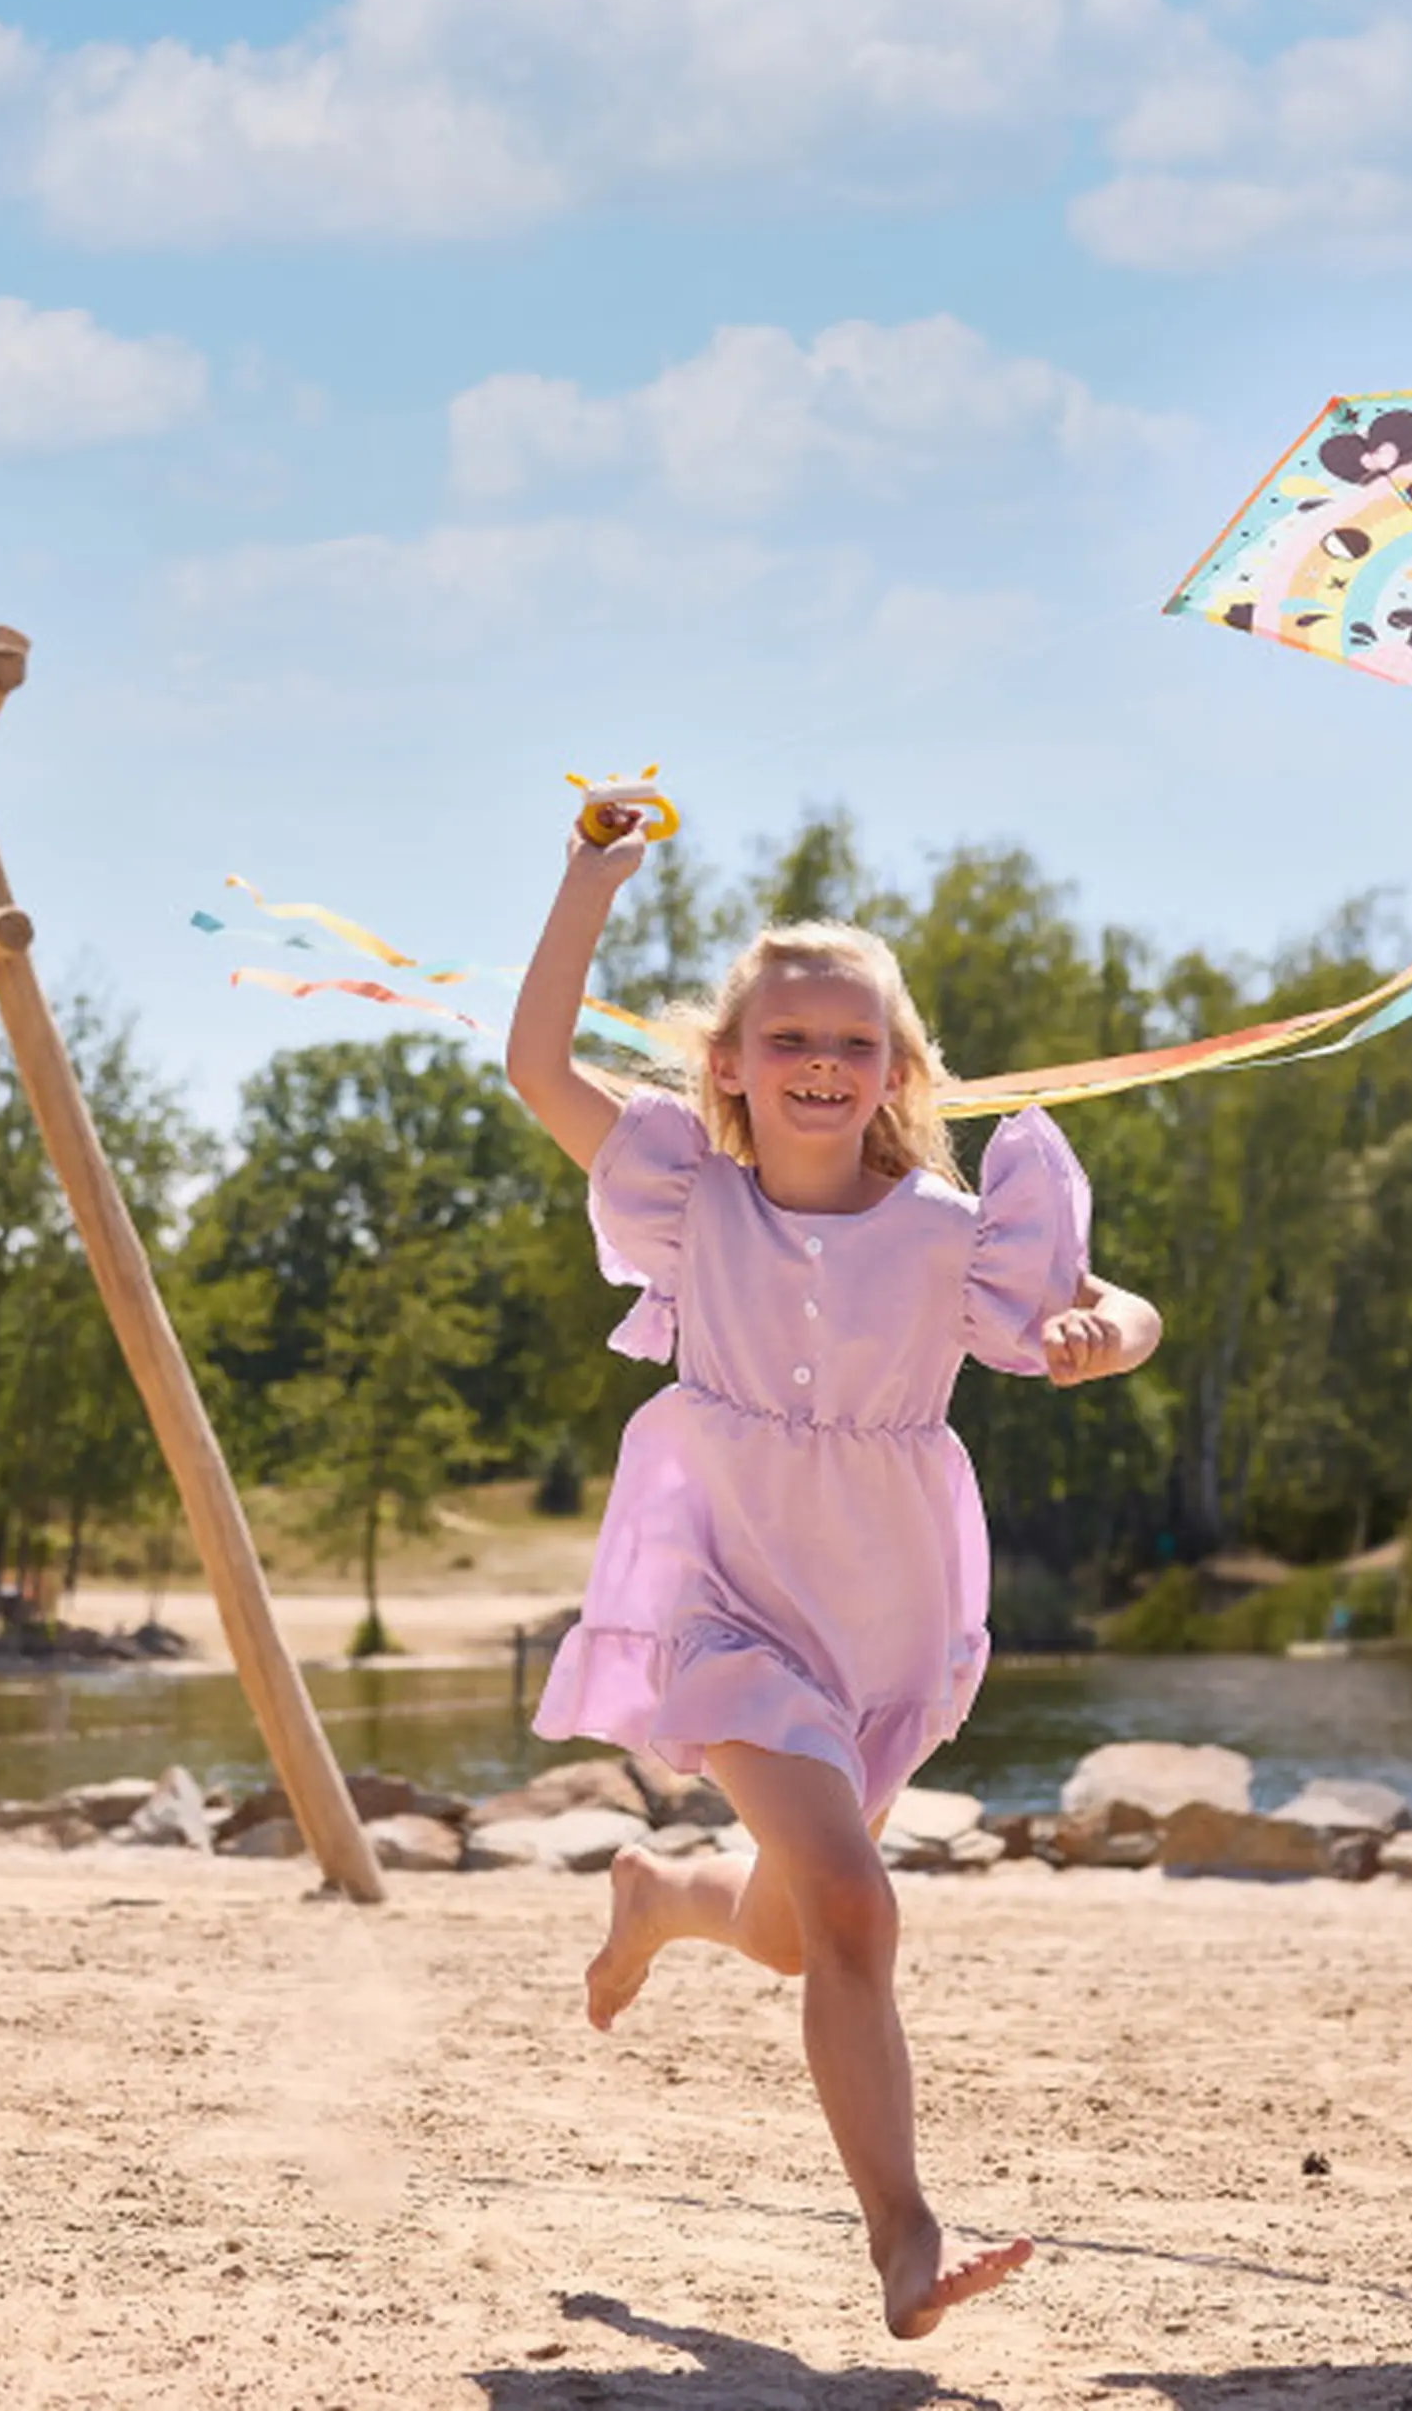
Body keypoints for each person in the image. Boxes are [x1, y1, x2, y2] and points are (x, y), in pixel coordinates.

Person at [501, 799, 1163, 2341]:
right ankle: (906, 2237)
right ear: (727, 1061)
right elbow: (537, 1068)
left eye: (853, 1042)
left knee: (802, 1926)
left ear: (898, 1075)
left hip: (881, 1619)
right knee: (859, 1915)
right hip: (724, 1601)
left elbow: (1121, 1308)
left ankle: (666, 1898)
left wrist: (1096, 1338)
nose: (819, 1059)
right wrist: (589, 883)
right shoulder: (686, 1196)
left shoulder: (953, 1233)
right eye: (786, 1033)